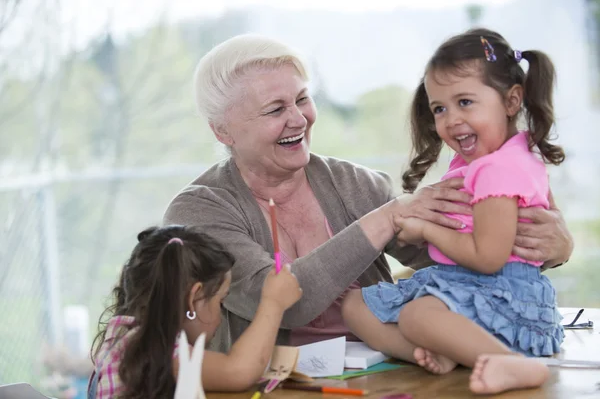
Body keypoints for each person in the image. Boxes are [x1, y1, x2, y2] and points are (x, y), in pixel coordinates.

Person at [163, 33, 573, 352]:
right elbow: (281, 304)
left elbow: (465, 255)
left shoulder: (356, 184)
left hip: (386, 372)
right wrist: (389, 215)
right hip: (271, 385)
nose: (298, 119)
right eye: (275, 109)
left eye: (303, 99)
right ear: (222, 130)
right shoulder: (198, 210)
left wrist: (556, 245)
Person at [342, 28, 566, 395]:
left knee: (417, 315)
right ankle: (438, 351)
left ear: (511, 102)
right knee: (355, 305)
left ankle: (510, 363)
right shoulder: (493, 157)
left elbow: (489, 258)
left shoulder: (497, 170)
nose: (451, 119)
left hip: (504, 299)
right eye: (440, 108)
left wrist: (426, 231)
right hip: (465, 288)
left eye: (465, 102)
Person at [88, 225, 301, 398]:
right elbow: (238, 371)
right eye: (221, 301)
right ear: (193, 298)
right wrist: (273, 303)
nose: (220, 317)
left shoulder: (122, 338)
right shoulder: (150, 350)